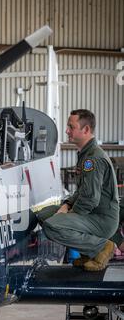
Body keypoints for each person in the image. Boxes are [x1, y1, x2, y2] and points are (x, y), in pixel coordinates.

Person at [37, 109, 119, 271]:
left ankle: (102, 247)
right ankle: (88, 253)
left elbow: (89, 199)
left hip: (101, 219)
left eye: (71, 127)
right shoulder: (85, 154)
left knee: (52, 225)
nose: (67, 131)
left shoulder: (93, 158)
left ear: (86, 130)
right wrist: (66, 205)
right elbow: (82, 191)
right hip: (92, 215)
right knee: (44, 214)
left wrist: (68, 215)